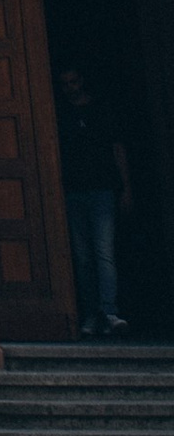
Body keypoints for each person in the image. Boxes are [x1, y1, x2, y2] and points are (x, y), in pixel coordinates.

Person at [57, 62, 133, 335]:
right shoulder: (60, 114)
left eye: (74, 82)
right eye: (65, 83)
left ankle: (109, 312)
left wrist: (125, 187)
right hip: (74, 191)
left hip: (102, 189)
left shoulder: (101, 109)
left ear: (82, 81)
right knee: (83, 257)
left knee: (103, 253)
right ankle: (90, 315)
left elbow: (117, 148)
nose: (70, 88)